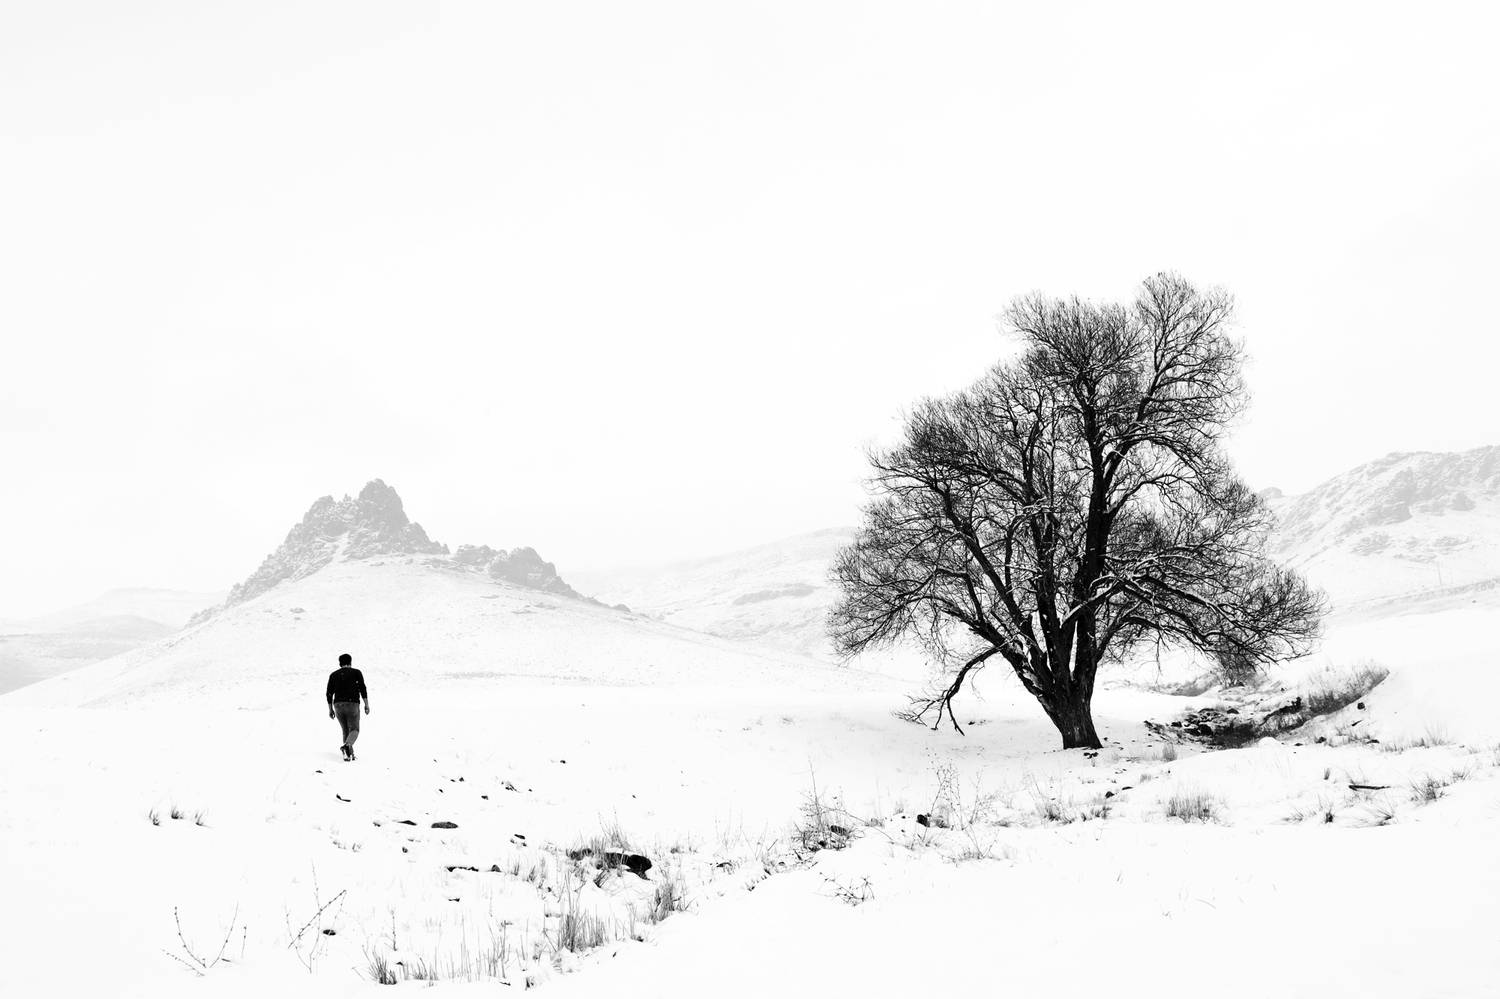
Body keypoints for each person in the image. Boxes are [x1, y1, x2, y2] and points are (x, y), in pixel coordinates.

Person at [326, 653, 370, 761]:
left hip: (338, 705)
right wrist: (366, 704)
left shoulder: (333, 675)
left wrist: (330, 709)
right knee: (354, 729)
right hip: (352, 704)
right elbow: (362, 688)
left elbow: (329, 693)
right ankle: (347, 746)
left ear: (340, 663)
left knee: (345, 730)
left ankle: (349, 754)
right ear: (350, 662)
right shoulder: (356, 672)